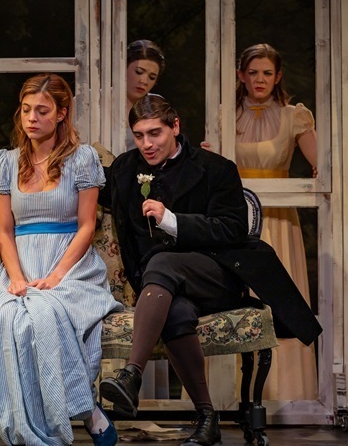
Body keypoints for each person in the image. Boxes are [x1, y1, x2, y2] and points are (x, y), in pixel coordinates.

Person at [98, 94, 321, 446]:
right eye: (139, 135)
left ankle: (131, 374)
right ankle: (207, 417)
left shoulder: (215, 168)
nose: (147, 144)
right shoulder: (127, 169)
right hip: (162, 287)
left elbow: (233, 228)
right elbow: (89, 186)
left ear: (175, 126)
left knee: (162, 261)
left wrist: (172, 221)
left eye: (155, 133)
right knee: (175, 313)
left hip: (216, 276)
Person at [0, 73, 122, 446]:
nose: (32, 118)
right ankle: (33, 427)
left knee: (45, 313)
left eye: (42, 111)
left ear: (61, 113)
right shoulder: (7, 162)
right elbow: (5, 231)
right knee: (6, 319)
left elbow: (87, 225)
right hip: (21, 263)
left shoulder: (82, 159)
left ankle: (82, 410)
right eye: (26, 109)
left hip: (70, 264)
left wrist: (58, 275)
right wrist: (16, 278)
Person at [203, 43, 319, 401]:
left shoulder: (294, 116)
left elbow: (322, 165)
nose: (260, 79)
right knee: (236, 298)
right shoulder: (226, 116)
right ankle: (228, 396)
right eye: (253, 72)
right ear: (241, 75)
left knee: (278, 298)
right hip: (236, 217)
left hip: (279, 218)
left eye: (267, 73)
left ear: (278, 76)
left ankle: (287, 395)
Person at [125, 39, 166, 147]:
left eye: (152, 77)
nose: (144, 81)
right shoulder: (94, 99)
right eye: (138, 72)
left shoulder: (157, 105)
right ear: (123, 68)